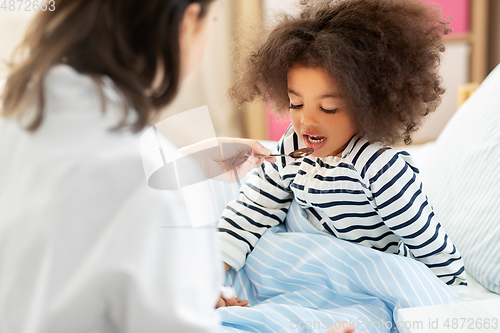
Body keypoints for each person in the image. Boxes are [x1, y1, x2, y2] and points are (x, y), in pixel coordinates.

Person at [0, 0, 273, 332]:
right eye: (212, 18)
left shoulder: (19, 114)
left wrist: (184, 162)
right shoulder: (148, 193)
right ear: (187, 23)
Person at [217, 0, 467, 309]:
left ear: (368, 104)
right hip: (296, 264)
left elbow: (427, 243)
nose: (307, 121)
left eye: (329, 108)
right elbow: (252, 209)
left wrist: (456, 302)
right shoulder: (291, 144)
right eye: (296, 103)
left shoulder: (380, 170)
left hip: (356, 281)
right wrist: (212, 275)